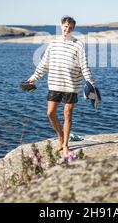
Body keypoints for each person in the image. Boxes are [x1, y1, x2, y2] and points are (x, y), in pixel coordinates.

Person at [26, 16, 96, 157]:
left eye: (70, 28)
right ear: (61, 26)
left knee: (67, 114)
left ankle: (65, 145)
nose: (67, 29)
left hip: (72, 85)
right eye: (65, 26)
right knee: (50, 113)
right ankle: (60, 137)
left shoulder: (78, 45)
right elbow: (43, 65)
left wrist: (91, 84)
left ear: (73, 29)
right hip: (55, 83)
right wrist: (33, 79)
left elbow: (84, 66)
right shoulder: (53, 44)